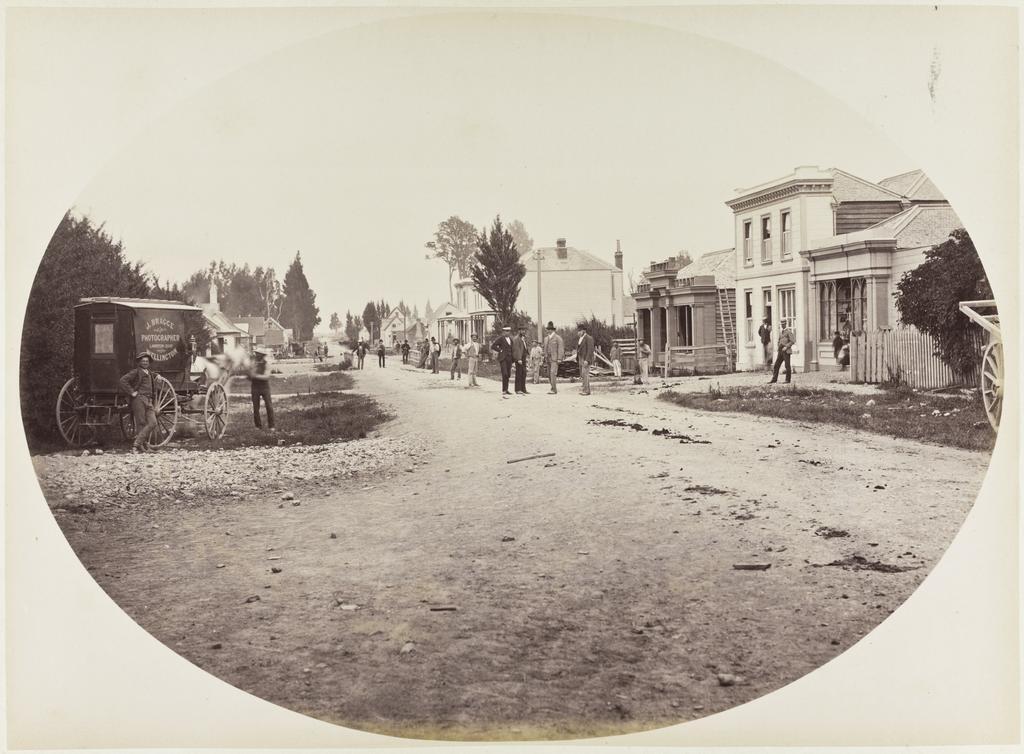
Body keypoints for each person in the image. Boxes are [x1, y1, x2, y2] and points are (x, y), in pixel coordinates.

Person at [119, 351, 159, 453]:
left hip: (149, 400)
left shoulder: (149, 373)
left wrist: (158, 376)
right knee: (141, 423)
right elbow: (123, 380)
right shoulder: (135, 372)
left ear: (149, 363)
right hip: (139, 400)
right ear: (140, 362)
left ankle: (137, 444)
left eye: (147, 361)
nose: (145, 362)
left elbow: (153, 377)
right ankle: (143, 447)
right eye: (143, 361)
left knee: (153, 422)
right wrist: (132, 392)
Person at [248, 346, 276, 431]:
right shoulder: (253, 363)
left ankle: (271, 426)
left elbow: (266, 376)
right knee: (256, 407)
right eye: (256, 353)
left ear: (262, 355)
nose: (256, 355)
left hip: (264, 387)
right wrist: (251, 374)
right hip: (255, 387)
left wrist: (255, 375)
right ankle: (258, 426)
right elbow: (249, 375)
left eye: (258, 354)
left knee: (269, 406)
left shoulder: (267, 364)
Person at [490, 325, 514, 397]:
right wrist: (500, 350)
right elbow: (493, 346)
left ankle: (506, 389)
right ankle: (504, 390)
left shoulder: (511, 339)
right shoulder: (501, 339)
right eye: (506, 331)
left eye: (508, 331)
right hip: (503, 359)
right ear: (503, 332)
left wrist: (513, 358)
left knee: (508, 374)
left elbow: (512, 349)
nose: (507, 332)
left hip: (509, 359)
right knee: (505, 374)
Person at [543, 321, 564, 394]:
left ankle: (554, 389)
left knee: (553, 373)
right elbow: (545, 348)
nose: (548, 330)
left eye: (550, 329)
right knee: (549, 374)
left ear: (552, 330)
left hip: (555, 359)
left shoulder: (558, 338)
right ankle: (552, 386)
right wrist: (545, 356)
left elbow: (561, 349)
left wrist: (559, 358)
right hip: (547, 359)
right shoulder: (546, 338)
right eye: (548, 329)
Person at [576, 323, 595, 395]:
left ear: (584, 331)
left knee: (585, 374)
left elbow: (590, 350)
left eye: (580, 331)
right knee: (583, 375)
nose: (578, 333)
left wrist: (587, 360)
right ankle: (586, 390)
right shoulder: (580, 339)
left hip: (585, 359)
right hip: (581, 358)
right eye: (578, 331)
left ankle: (586, 391)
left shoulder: (589, 338)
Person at [512, 327, 529, 394]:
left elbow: (525, 348)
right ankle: (518, 389)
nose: (523, 331)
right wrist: (518, 359)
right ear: (519, 331)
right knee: (519, 374)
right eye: (522, 330)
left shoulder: (523, 338)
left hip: (523, 358)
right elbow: (516, 349)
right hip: (519, 359)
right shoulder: (516, 339)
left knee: (524, 374)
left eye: (524, 330)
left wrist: (527, 356)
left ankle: (523, 389)